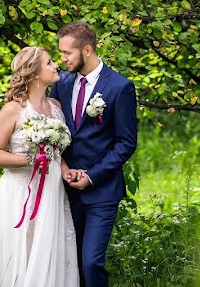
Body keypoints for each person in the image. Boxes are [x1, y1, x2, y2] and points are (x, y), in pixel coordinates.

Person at [0, 46, 79, 287]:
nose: (55, 65)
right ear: (35, 73)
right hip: (18, 196)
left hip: (52, 194)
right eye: (48, 63)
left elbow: (57, 152)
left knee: (47, 254)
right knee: (16, 258)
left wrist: (65, 168)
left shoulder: (56, 106)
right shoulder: (13, 110)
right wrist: (30, 159)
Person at [51, 22, 138, 287]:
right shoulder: (61, 84)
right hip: (65, 189)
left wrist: (92, 176)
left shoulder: (120, 87)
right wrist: (64, 167)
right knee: (70, 263)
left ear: (86, 50)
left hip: (102, 190)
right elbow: (56, 131)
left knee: (91, 263)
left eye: (67, 53)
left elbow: (126, 143)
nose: (62, 59)